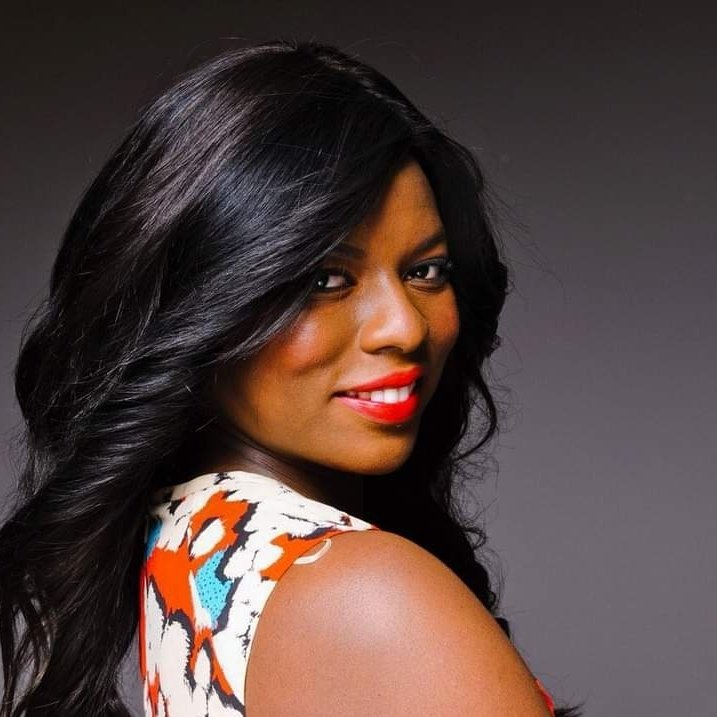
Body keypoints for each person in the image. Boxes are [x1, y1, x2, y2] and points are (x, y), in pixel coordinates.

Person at [0, 40, 583, 716]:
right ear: (204, 302)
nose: (404, 328)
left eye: (425, 270)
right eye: (325, 279)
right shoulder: (359, 592)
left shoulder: (196, 542)